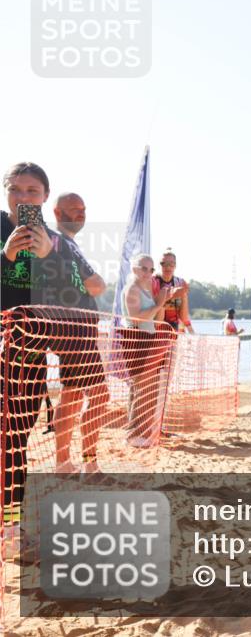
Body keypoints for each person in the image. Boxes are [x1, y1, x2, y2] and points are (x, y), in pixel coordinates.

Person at [0, 162, 80, 547]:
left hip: (29, 358)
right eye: (15, 190)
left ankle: (11, 527)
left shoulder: (57, 242)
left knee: (16, 445)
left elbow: (75, 299)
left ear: (46, 197)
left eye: (32, 191)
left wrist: (49, 259)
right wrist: (6, 257)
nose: (23, 198)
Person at [50, 192, 111, 474]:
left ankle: (72, 462)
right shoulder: (57, 240)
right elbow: (95, 285)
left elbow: (92, 284)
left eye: (83, 209)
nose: (81, 213)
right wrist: (95, 282)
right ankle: (78, 462)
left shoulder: (69, 244)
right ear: (57, 212)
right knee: (92, 394)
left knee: (78, 394)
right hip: (72, 329)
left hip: (81, 329)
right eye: (74, 209)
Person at [121, 253, 179, 447]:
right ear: (134, 269)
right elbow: (136, 318)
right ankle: (134, 435)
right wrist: (159, 303)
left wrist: (162, 300)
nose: (148, 272)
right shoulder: (132, 289)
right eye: (144, 268)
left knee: (147, 389)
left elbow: (158, 319)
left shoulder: (143, 289)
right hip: (136, 340)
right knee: (142, 389)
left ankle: (141, 433)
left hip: (147, 339)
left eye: (151, 269)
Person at [153, 248, 194, 334]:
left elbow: (184, 317)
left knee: (188, 332)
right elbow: (153, 310)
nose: (167, 267)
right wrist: (170, 295)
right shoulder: (154, 281)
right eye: (163, 263)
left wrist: (183, 295)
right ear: (159, 265)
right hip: (158, 327)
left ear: (175, 266)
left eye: (171, 264)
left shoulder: (180, 282)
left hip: (176, 329)